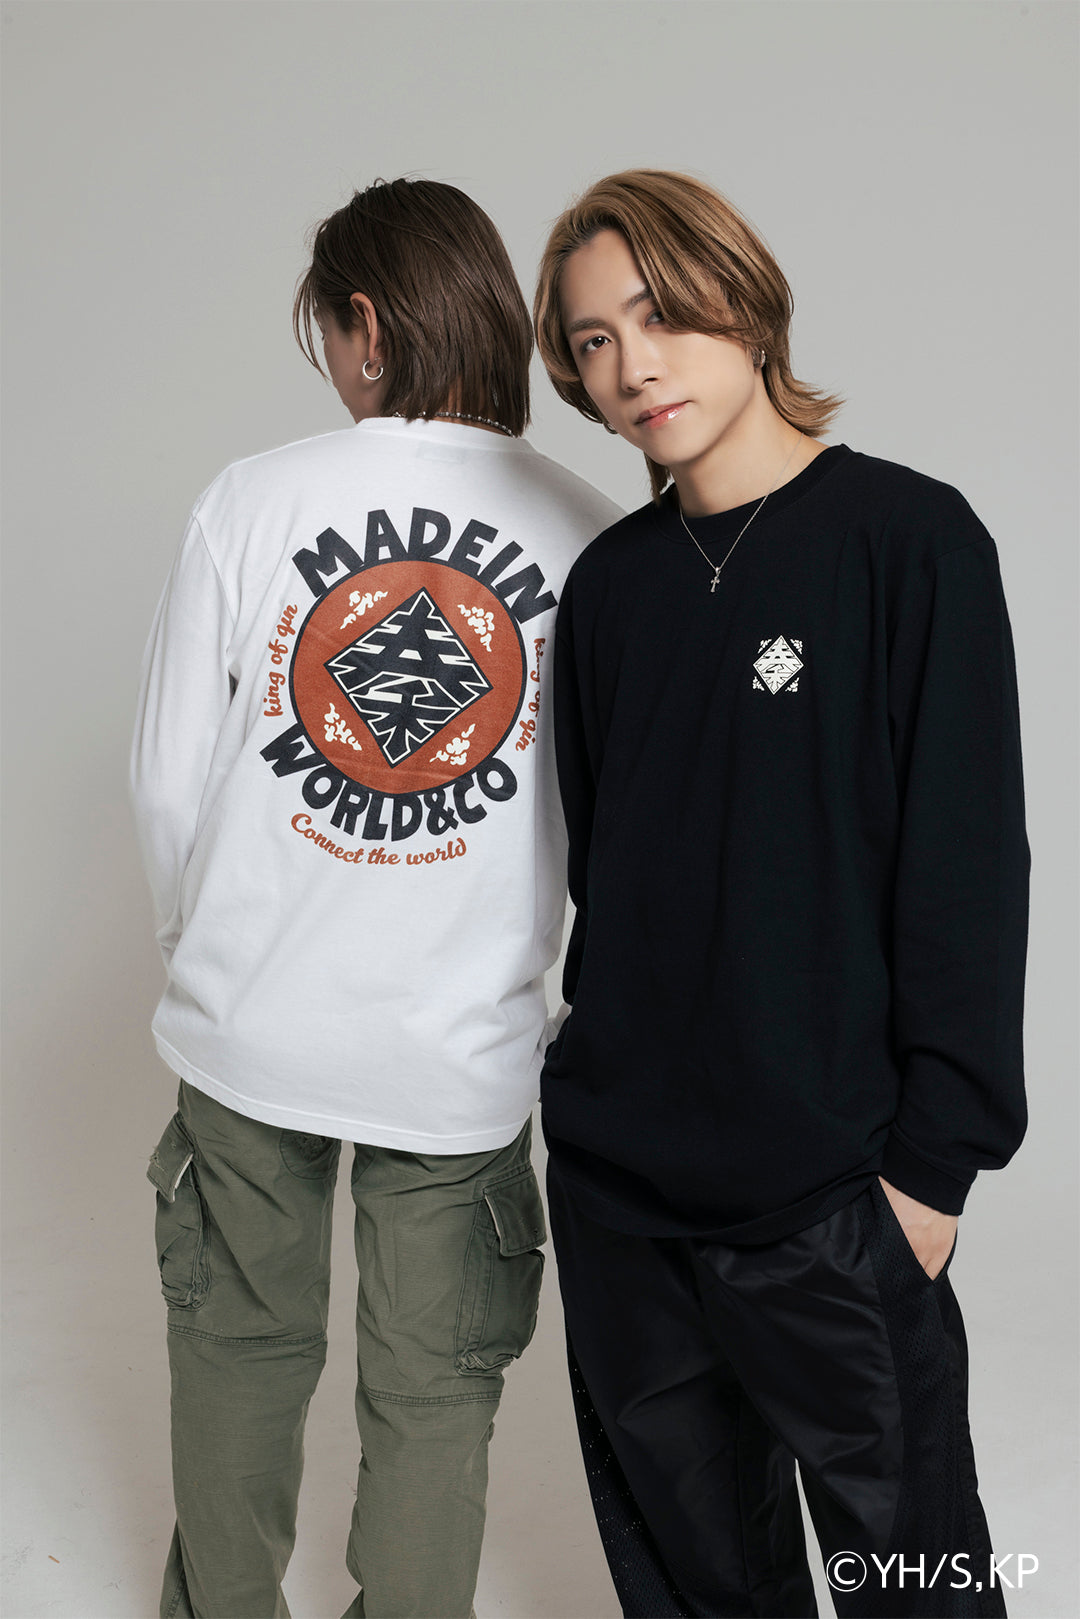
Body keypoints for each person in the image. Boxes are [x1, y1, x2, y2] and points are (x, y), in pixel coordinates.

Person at [532, 169, 1028, 1619]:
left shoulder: (908, 540)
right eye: (594, 342)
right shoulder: (609, 589)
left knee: (917, 1588)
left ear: (745, 305)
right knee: (699, 1594)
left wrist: (932, 1173)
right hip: (626, 1200)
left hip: (833, 1195)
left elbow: (966, 866)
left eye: (659, 317)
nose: (633, 366)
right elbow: (610, 871)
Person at [132, 176, 621, 1619]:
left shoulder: (251, 498)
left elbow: (163, 783)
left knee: (238, 1348)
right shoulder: (593, 535)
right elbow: (615, 823)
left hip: (253, 1025)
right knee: (434, 1388)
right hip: (460, 1052)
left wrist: (199, 948)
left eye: (327, 336)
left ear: (366, 322)